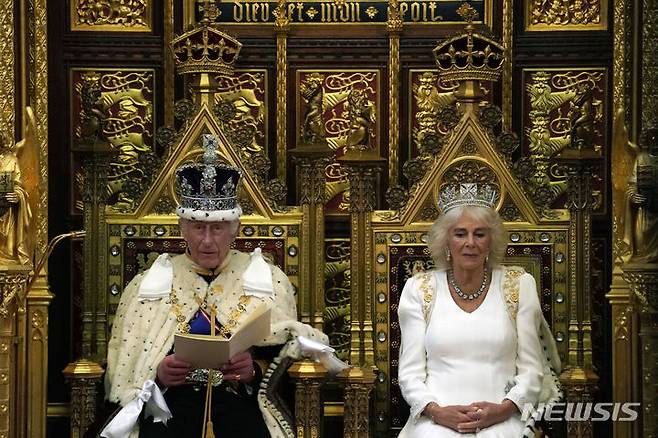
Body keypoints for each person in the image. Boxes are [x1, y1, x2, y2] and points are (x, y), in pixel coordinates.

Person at [102, 134, 327, 438]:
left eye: (218, 228)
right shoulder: (149, 283)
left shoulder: (267, 279)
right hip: (170, 407)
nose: (207, 240)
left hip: (240, 406)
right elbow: (127, 364)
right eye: (198, 227)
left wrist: (255, 371)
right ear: (183, 228)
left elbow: (290, 352)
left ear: (234, 229)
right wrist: (159, 375)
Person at [397, 183, 559, 438]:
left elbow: (532, 370)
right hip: (435, 421)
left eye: (479, 234)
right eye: (460, 234)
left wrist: (504, 409)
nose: (470, 243)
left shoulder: (519, 285)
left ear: (491, 240)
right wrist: (437, 412)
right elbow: (409, 374)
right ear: (446, 240)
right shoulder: (419, 289)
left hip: (504, 416)